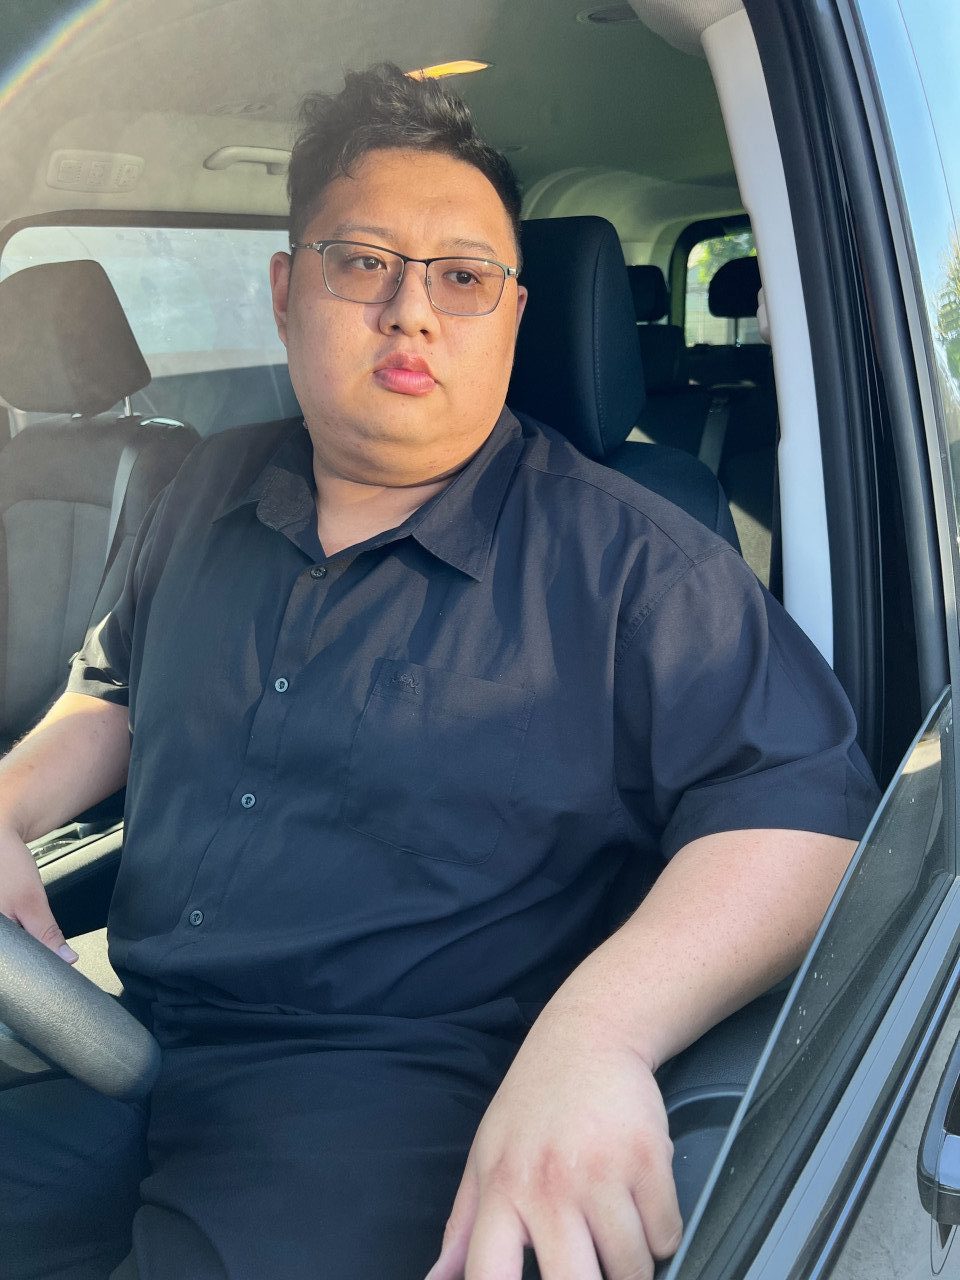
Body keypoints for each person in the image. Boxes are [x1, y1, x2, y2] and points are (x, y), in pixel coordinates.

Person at [0, 63, 878, 1280]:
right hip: (122, 1035)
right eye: (363, 261)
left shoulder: (636, 566)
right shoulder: (201, 485)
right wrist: (6, 805)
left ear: (512, 317)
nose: (411, 311)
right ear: (286, 293)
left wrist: (598, 1036)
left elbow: (805, 824)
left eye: (463, 278)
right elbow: (114, 691)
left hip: (383, 1103)